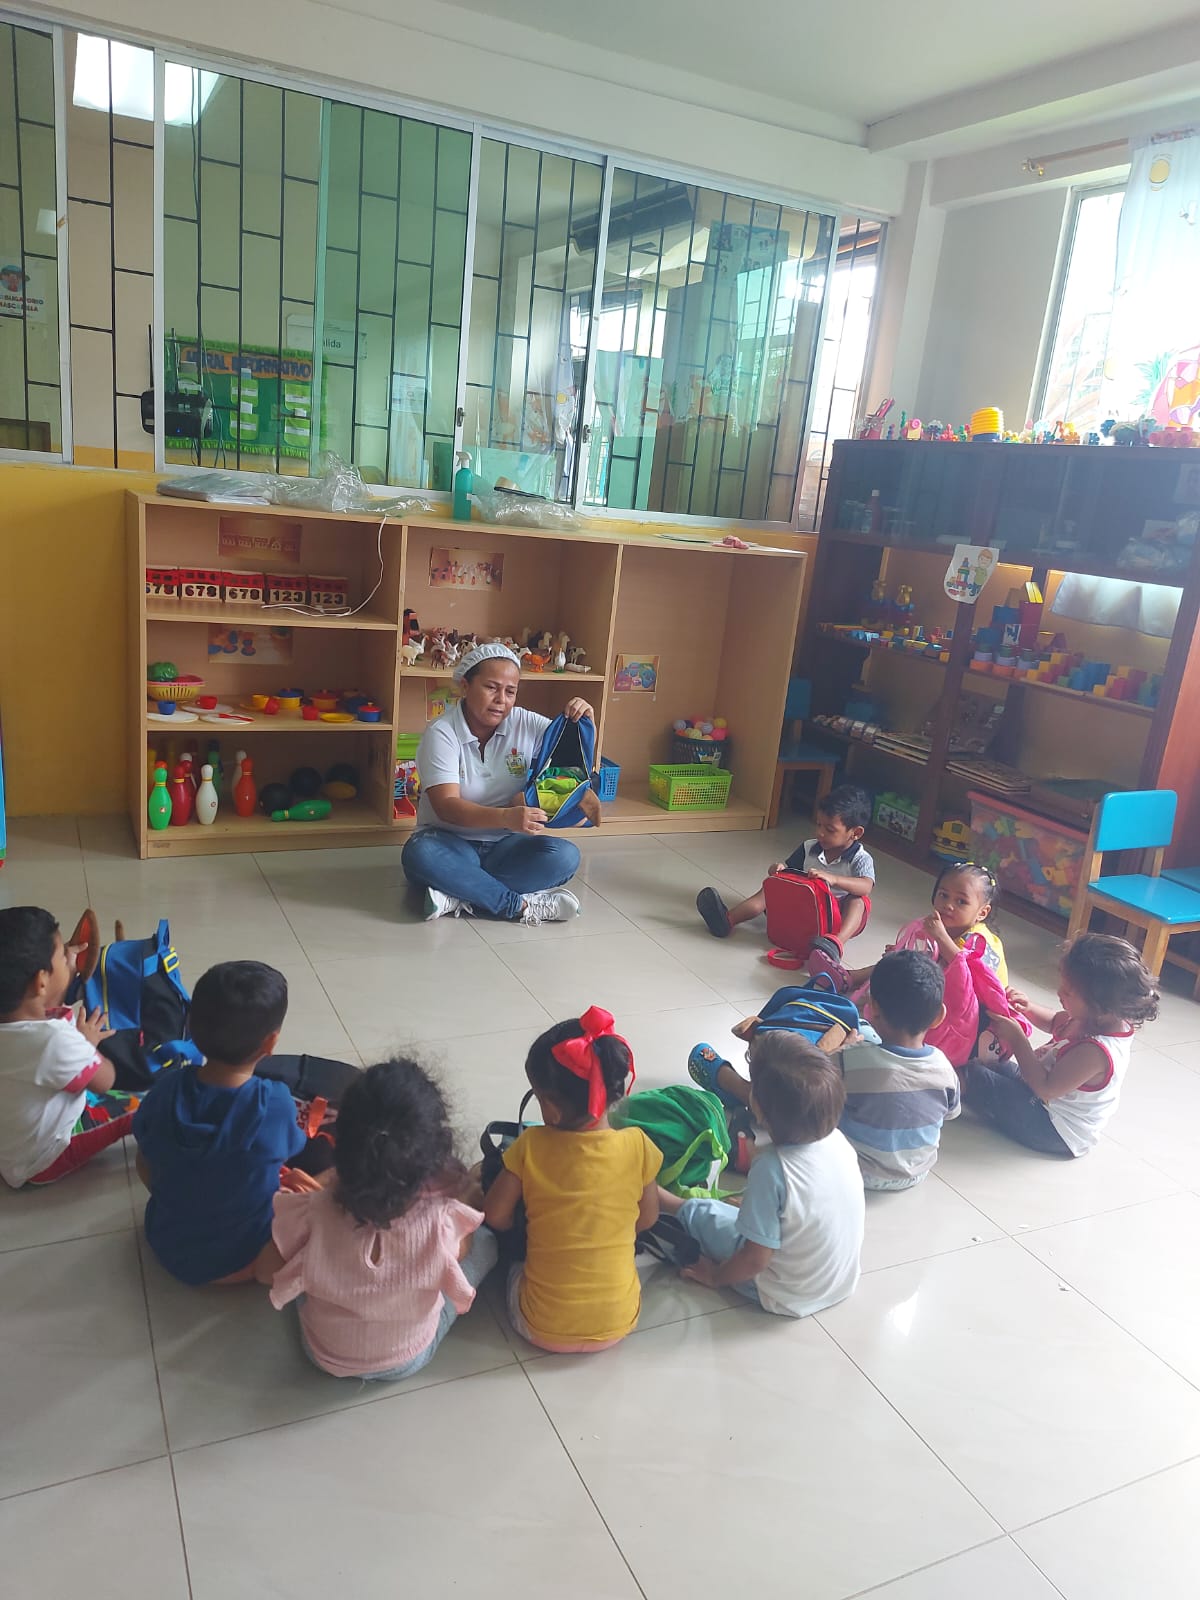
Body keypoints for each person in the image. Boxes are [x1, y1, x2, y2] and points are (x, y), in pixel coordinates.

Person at [264, 1058, 498, 1380]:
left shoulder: (313, 1212)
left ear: (340, 1149)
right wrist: (469, 1194)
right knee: (486, 1242)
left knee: (305, 1264)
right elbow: (462, 1249)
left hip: (322, 1353)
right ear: (433, 1158)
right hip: (406, 1358)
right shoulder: (442, 1221)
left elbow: (267, 1270)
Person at [133, 960, 355, 1285]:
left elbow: (144, 1158)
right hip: (239, 1260)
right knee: (333, 1183)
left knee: (150, 1154)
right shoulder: (273, 1103)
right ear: (271, 1043)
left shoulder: (165, 1088)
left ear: (191, 1025)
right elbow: (293, 1149)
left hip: (164, 1239)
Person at [482, 1006, 662, 1353]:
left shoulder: (531, 1145)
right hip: (619, 1324)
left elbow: (496, 1216)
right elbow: (648, 1218)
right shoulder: (638, 1145)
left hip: (540, 1326)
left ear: (552, 1109)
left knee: (507, 1261)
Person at [660, 1032, 864, 1316]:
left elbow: (755, 1259)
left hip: (783, 1293)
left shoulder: (771, 1168)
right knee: (747, 1214)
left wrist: (716, 1276)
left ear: (756, 1104)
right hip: (839, 1282)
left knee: (707, 1214)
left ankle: (667, 1202)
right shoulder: (839, 1142)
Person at [401, 641, 593, 925]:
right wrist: (506, 817)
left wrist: (586, 720)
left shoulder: (525, 723)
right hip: (448, 841)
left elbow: (573, 757)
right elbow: (447, 806)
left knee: (564, 856)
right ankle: (517, 905)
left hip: (505, 845)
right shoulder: (441, 733)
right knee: (421, 854)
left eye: (510, 691)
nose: (501, 699)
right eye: (491, 687)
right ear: (465, 686)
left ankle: (461, 894)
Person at [964, 933, 1158, 1157]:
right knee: (990, 1062)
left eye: (1068, 992)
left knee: (975, 1076)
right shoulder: (1093, 1017)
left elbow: (1046, 1088)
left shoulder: (1095, 1052)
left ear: (1099, 1006)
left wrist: (1018, 1039)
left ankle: (942, 1091)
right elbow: (1054, 1021)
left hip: (1053, 1128)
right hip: (1042, 1096)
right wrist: (1028, 1008)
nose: (1059, 992)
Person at [810, 861, 1009, 1068]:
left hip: (972, 1025)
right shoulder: (941, 926)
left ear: (982, 912)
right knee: (900, 964)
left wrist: (940, 938)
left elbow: (968, 980)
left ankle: (854, 987)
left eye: (961, 901)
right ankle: (849, 978)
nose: (948, 905)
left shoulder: (981, 941)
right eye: (943, 895)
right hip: (938, 999)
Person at [0, 905, 139, 1188]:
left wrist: (61, 975)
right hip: (43, 1156)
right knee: (140, 1104)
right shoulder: (54, 1041)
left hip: (10, 1141)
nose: (71, 959)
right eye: (64, 957)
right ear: (41, 982)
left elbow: (37, 1012)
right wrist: (86, 1044)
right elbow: (105, 1080)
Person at [838, 949, 960, 1190]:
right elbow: (950, 1113)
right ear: (938, 1017)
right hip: (916, 1172)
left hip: (857, 1171)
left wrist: (845, 1048)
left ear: (873, 1007)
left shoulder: (850, 1059)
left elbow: (818, 1084)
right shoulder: (944, 1067)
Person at [696, 783, 874, 944]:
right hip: (804, 912)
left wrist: (834, 879)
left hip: (834, 918)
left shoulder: (860, 858)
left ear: (856, 833)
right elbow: (790, 873)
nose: (820, 833)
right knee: (770, 887)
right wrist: (778, 871)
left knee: (858, 901)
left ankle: (834, 944)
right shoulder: (809, 847)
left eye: (829, 830)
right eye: (818, 825)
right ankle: (727, 920)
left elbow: (866, 886)